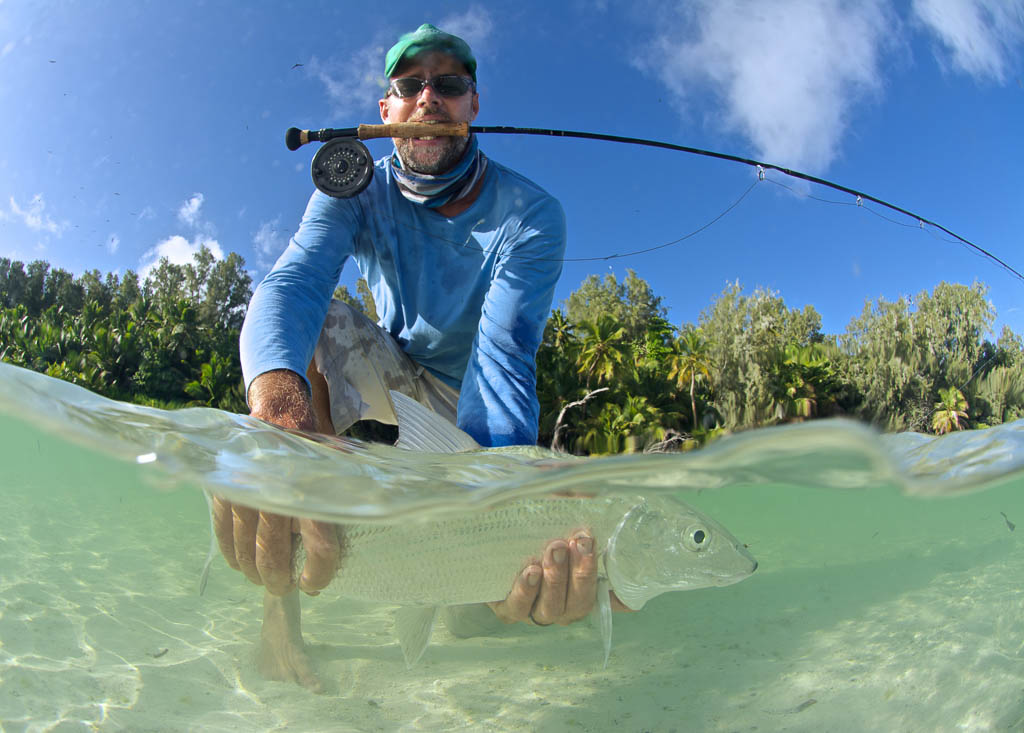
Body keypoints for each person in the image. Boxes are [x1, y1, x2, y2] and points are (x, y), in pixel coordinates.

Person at [212, 23, 624, 691]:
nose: (429, 97)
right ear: (385, 112)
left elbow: (504, 355)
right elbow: (294, 284)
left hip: (475, 411)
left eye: (450, 84)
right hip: (392, 376)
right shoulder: (353, 189)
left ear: (473, 106)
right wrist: (277, 412)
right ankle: (280, 611)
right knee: (317, 330)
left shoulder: (533, 214)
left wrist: (501, 501)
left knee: (479, 614)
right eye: (409, 86)